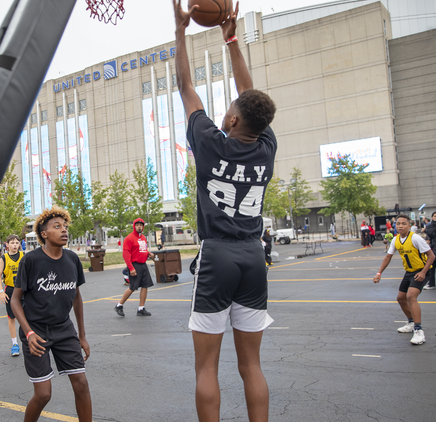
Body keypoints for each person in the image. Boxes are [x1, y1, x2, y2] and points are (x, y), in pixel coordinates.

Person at [174, 1, 277, 420]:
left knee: (206, 366)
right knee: (251, 364)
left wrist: (181, 32)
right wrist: (231, 40)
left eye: (232, 108)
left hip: (217, 254)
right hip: (254, 254)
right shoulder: (266, 147)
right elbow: (252, 99)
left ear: (233, 118)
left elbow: (185, 88)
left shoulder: (210, 141)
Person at [10, 207, 91, 421]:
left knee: (81, 384)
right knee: (44, 394)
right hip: (35, 332)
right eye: (57, 227)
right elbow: (15, 300)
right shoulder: (31, 260)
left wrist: (81, 335)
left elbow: (76, 297)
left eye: (65, 227)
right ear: (44, 234)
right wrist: (28, 333)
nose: (64, 230)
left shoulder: (72, 260)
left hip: (64, 329)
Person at [373, 214, 435, 345]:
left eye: (404, 223)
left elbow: (431, 256)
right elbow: (388, 257)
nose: (400, 226)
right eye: (398, 223)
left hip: (421, 271)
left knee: (411, 297)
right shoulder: (396, 240)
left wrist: (424, 272)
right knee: (400, 298)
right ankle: (411, 322)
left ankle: (419, 331)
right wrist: (379, 273)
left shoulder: (415, 238)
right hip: (409, 272)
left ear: (409, 225)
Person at [114, 218, 156, 317]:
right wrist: (131, 268)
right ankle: (119, 305)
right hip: (134, 265)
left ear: (143, 227)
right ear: (134, 226)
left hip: (143, 264)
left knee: (145, 285)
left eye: (141, 225)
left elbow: (142, 250)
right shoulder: (129, 238)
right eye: (137, 225)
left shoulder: (143, 238)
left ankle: (141, 308)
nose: (139, 227)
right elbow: (126, 254)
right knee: (133, 287)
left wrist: (149, 254)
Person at [0, 234, 24, 357]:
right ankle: (14, 344)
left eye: (17, 243)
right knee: (11, 318)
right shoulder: (4, 258)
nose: (15, 245)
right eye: (12, 243)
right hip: (10, 291)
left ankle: (29, 340)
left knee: (28, 316)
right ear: (7, 245)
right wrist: (1, 292)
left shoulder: (24, 256)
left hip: (23, 290)